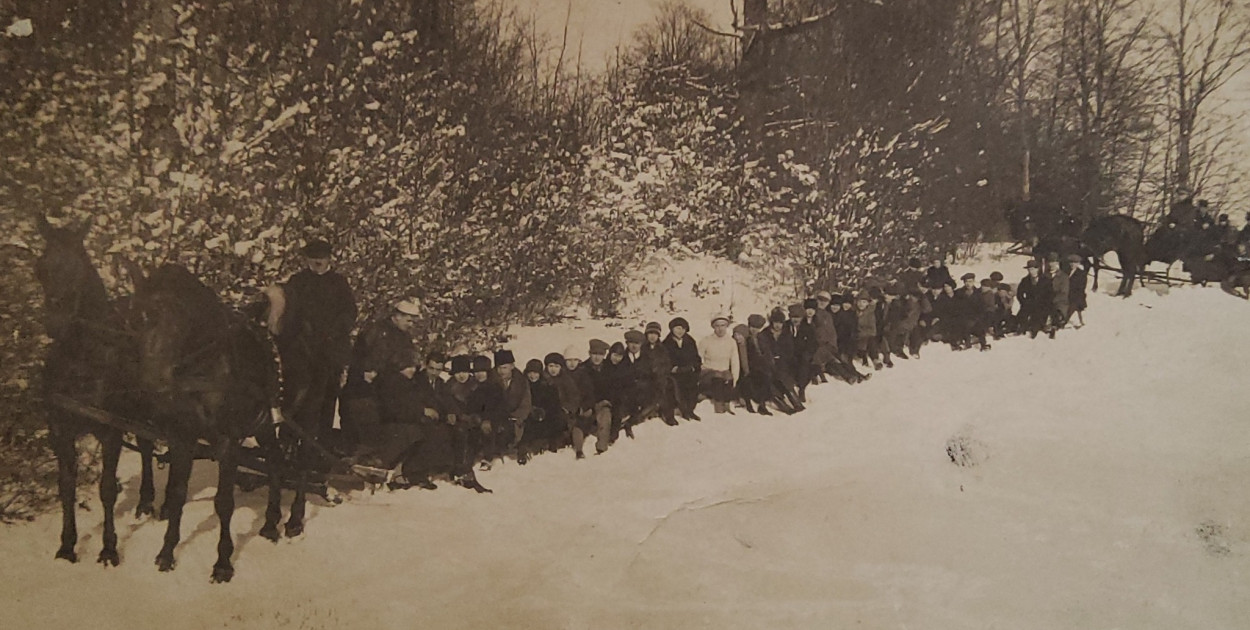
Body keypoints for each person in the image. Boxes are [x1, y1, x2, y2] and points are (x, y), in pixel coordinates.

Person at [271, 239, 358, 449]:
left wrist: (334, 331)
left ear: (328, 259)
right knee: (297, 396)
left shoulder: (339, 283)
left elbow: (349, 312)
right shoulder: (298, 281)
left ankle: (319, 447)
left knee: (326, 400)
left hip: (330, 352)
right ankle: (288, 442)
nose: (317, 263)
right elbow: (286, 313)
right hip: (301, 352)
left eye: (321, 259)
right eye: (313, 259)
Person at [340, 299, 420, 452]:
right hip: (365, 390)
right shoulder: (377, 331)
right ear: (397, 316)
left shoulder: (404, 337)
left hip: (386, 390)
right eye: (408, 320)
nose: (410, 324)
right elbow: (368, 364)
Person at [699, 315, 740, 414]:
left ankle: (726, 403)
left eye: (723, 325)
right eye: (717, 326)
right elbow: (698, 358)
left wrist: (735, 378)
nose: (720, 329)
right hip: (708, 372)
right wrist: (703, 370)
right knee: (718, 376)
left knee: (728, 377)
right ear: (713, 327)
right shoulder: (706, 340)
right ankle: (718, 405)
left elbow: (735, 361)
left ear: (726, 326)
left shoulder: (731, 342)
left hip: (724, 371)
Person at [662, 318, 701, 421]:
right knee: (672, 386)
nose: (680, 331)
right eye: (677, 328)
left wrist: (694, 367)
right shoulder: (666, 343)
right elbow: (664, 360)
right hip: (673, 372)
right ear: (672, 329)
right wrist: (672, 368)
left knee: (692, 384)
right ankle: (670, 414)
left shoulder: (690, 341)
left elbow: (696, 357)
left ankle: (689, 410)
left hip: (688, 370)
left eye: (683, 329)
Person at [640, 322, 678, 426]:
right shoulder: (642, 347)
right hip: (644, 377)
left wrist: (660, 371)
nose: (652, 336)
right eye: (650, 333)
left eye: (655, 334)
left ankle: (668, 414)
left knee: (668, 385)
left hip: (659, 376)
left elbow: (667, 364)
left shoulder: (662, 349)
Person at [1065, 254, 1089, 329]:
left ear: (1078, 263)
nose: (1072, 264)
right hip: (1067, 294)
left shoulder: (1082, 274)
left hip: (1076, 295)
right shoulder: (1066, 271)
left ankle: (1066, 320)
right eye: (1071, 262)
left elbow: (1081, 288)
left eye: (1075, 262)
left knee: (1074, 305)